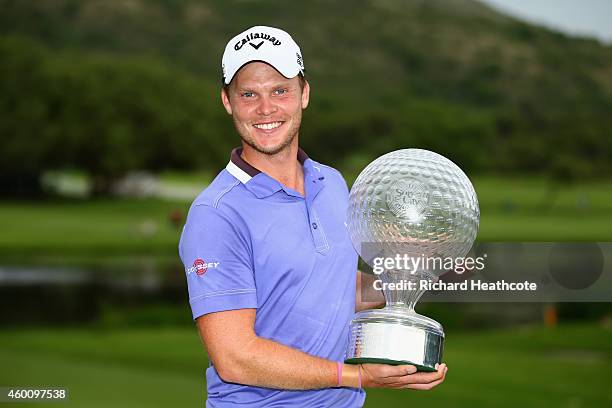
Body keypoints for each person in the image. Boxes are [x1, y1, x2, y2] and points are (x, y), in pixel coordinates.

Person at [179, 25, 447, 407]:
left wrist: (410, 275)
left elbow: (330, 284)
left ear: (304, 94)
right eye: (249, 94)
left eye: (280, 91)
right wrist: (357, 376)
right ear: (227, 101)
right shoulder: (217, 215)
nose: (266, 109)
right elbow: (235, 358)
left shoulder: (332, 183)